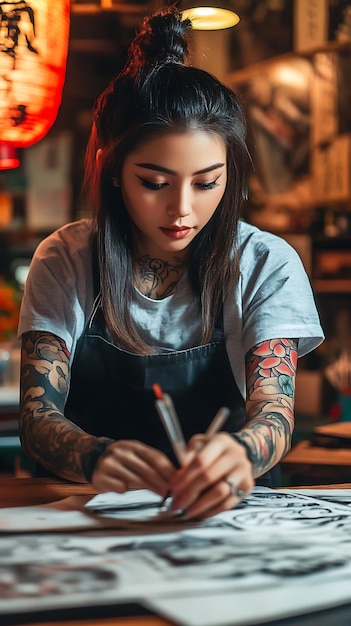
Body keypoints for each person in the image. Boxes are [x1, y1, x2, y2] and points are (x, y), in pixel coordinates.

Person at [18, 7, 324, 521]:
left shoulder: (266, 262)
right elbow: (36, 414)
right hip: (89, 518)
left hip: (227, 516)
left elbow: (274, 412)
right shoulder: (66, 260)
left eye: (207, 183)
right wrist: (93, 456)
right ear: (110, 170)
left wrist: (242, 453)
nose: (182, 209)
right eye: (154, 183)